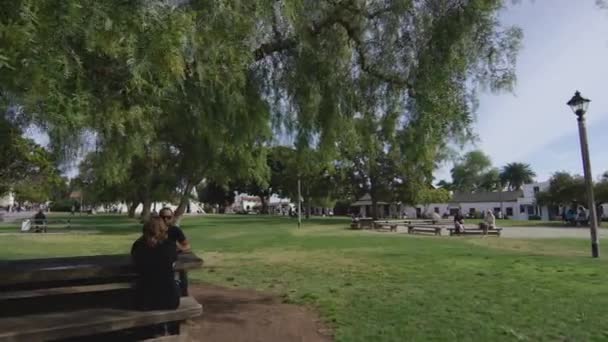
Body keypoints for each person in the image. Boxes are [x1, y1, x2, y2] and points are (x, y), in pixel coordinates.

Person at [131, 216, 180, 311]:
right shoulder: (170, 246)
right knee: (177, 281)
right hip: (170, 300)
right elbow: (172, 261)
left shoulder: (138, 246)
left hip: (144, 301)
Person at [159, 207, 191, 296]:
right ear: (159, 218)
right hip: (158, 258)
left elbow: (187, 246)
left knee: (182, 268)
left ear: (172, 217)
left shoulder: (175, 230)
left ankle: (184, 293)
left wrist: (180, 249)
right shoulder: (154, 229)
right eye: (163, 217)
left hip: (173, 258)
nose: (165, 219)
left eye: (168, 217)